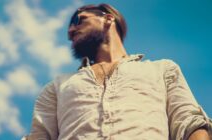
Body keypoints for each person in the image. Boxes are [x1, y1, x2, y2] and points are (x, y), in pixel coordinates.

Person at [23, 3, 212, 140]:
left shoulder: (163, 69)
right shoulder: (57, 86)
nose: (71, 31)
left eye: (78, 20)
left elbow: (191, 125)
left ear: (108, 18)